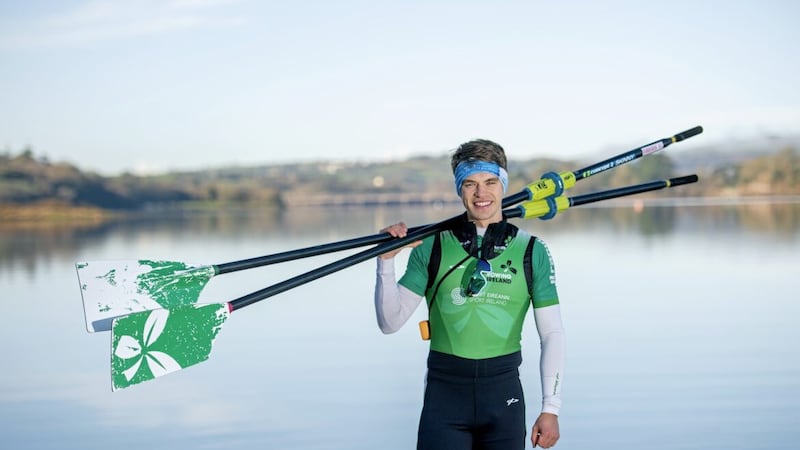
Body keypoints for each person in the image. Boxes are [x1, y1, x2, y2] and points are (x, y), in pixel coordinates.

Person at [374, 139, 565, 449]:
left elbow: (553, 333)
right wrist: (385, 261)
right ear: (458, 189)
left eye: (490, 182)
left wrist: (551, 408)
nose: (481, 193)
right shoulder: (432, 246)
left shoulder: (532, 251)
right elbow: (390, 322)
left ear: (503, 184)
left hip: (503, 397)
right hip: (445, 397)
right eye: (470, 184)